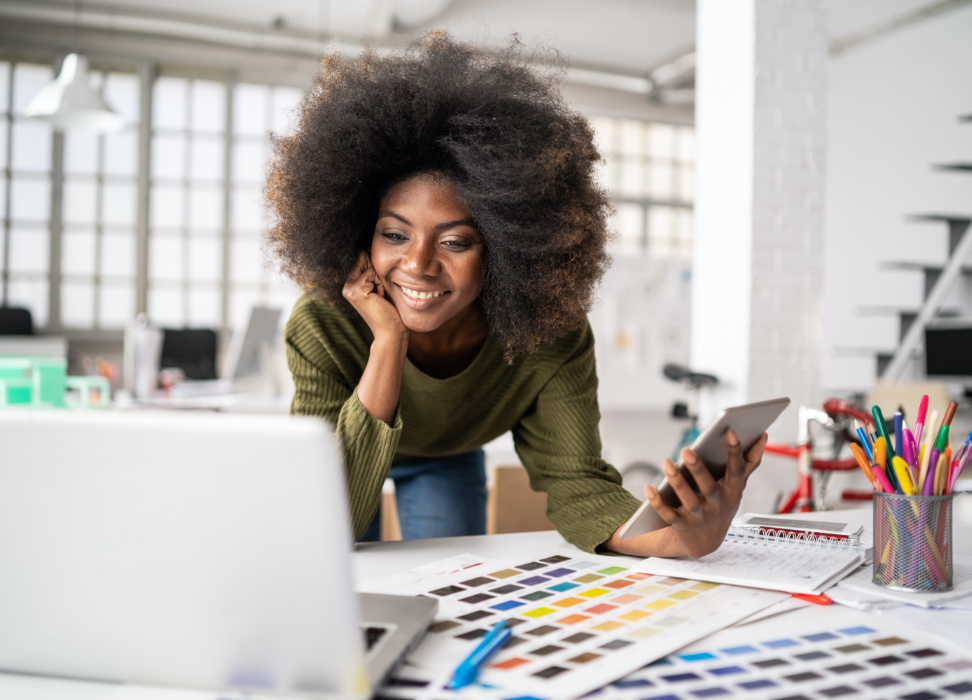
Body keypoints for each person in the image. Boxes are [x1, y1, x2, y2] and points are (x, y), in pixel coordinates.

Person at [265, 32, 767, 556]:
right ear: (359, 231)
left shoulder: (547, 330)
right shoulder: (323, 321)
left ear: (506, 249)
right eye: (394, 234)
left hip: (450, 454)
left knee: (447, 592)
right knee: (334, 572)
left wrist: (678, 540)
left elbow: (578, 483)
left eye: (456, 241)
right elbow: (324, 515)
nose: (417, 264)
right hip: (346, 452)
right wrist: (387, 342)